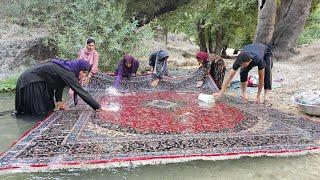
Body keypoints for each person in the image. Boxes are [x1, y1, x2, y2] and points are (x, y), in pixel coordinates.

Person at [15, 59, 103, 115]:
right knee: (40, 113)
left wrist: (59, 102)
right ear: (79, 69)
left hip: (36, 80)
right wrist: (97, 106)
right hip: (31, 81)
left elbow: (60, 83)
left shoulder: (68, 67)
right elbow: (80, 91)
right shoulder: (69, 72)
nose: (84, 75)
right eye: (84, 72)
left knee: (49, 108)